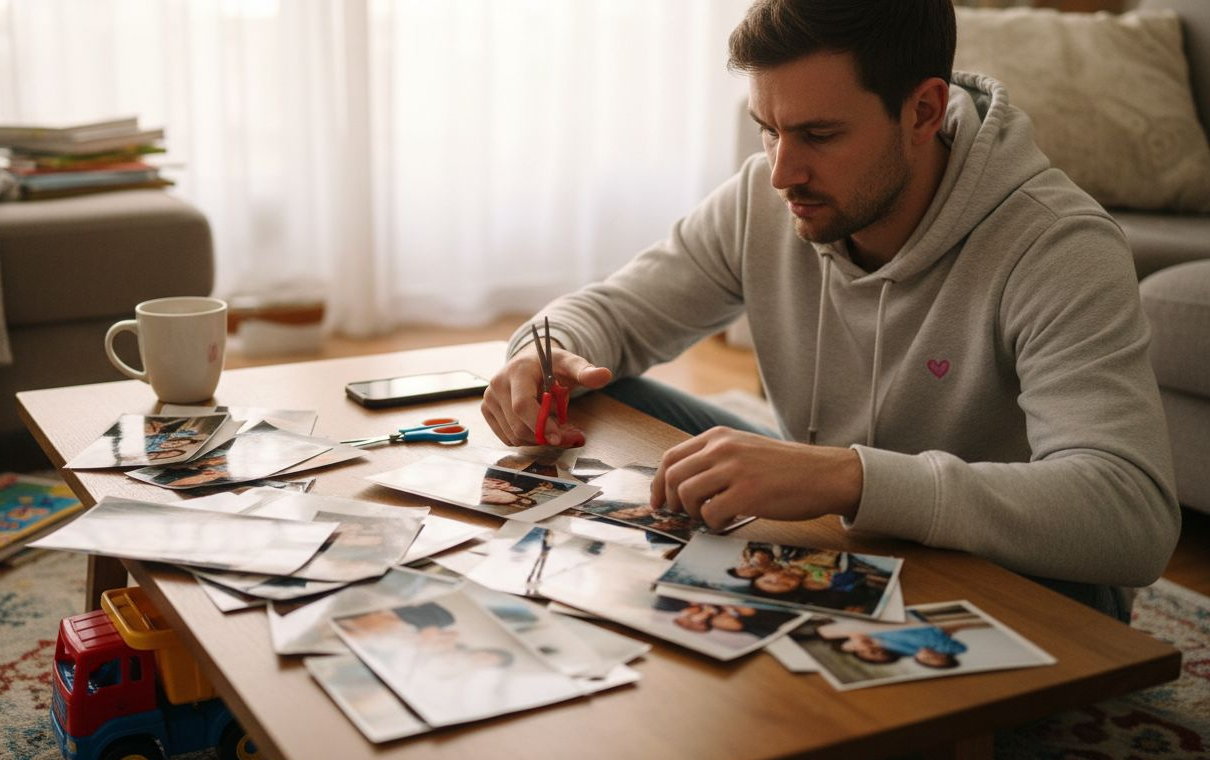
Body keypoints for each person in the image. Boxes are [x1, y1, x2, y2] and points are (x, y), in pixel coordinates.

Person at [480, 0, 1179, 623]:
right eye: (767, 129)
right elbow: (614, 315)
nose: (783, 171)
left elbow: (1129, 516)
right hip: (844, 528)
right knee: (600, 391)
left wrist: (848, 477)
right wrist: (546, 353)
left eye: (818, 135)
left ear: (924, 111)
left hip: (1023, 575)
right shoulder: (767, 194)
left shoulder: (1058, 245)